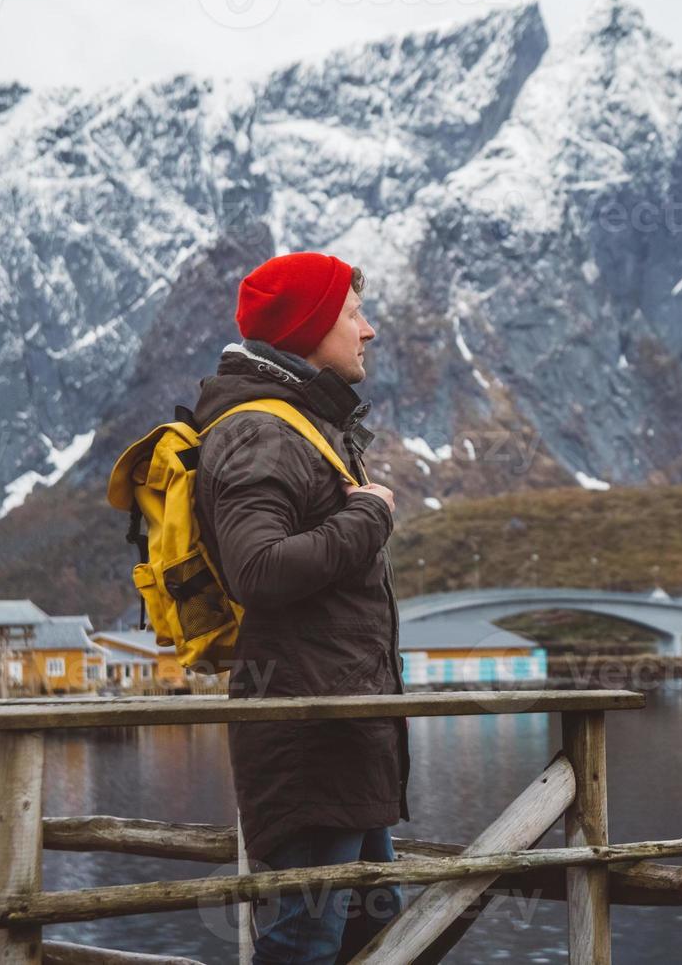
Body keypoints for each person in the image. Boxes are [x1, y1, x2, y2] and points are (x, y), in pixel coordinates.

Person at [192, 251, 408, 963]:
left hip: (342, 738)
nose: (368, 330)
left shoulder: (301, 426)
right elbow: (258, 569)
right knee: (303, 941)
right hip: (308, 740)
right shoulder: (261, 433)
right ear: (310, 328)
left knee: (376, 933)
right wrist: (370, 516)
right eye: (353, 314)